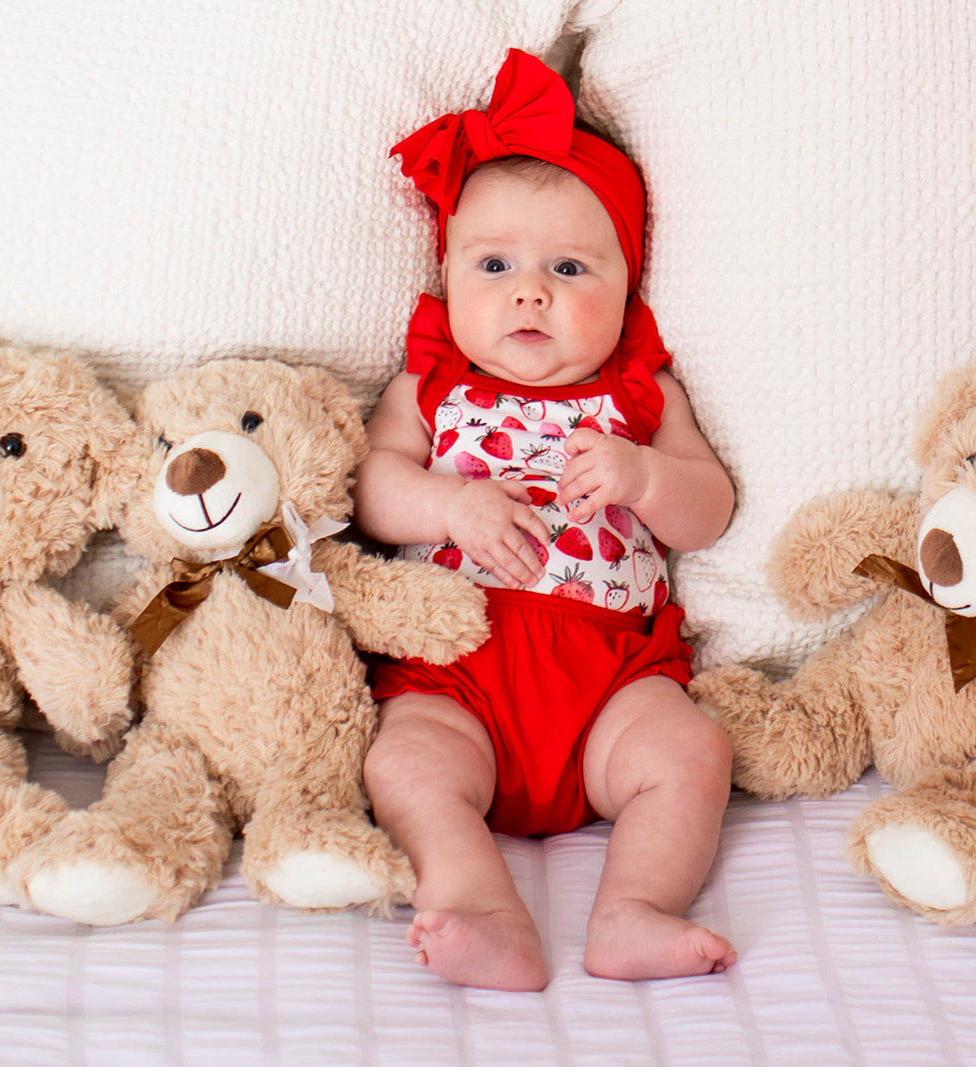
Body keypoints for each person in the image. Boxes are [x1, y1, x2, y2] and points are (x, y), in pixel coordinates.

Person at [355, 49, 736, 992]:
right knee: (403, 763)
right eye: (495, 264)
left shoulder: (640, 396)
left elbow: (709, 512)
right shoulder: (432, 386)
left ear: (625, 287)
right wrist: (448, 500)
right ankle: (480, 906)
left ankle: (633, 911)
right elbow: (367, 490)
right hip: (458, 679)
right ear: (448, 275)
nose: (530, 291)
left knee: (691, 750)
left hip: (610, 683)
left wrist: (645, 475)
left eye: (569, 267)